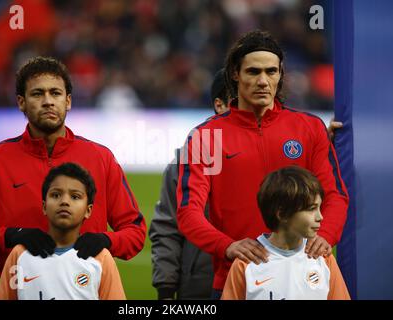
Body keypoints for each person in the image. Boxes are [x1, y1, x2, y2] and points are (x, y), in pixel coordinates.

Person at [176, 30, 349, 298]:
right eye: (253, 71)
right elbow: (189, 212)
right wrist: (227, 246)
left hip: (307, 277)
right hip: (237, 278)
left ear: (280, 74)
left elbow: (335, 195)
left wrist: (326, 235)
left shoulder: (310, 129)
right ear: (235, 74)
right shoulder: (206, 137)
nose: (263, 81)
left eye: (271, 71)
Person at [0, 56, 146, 277]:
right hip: (21, 290)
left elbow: (135, 232)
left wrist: (105, 241)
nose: (48, 101)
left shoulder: (101, 158)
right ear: (21, 102)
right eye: (37, 93)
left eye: (55, 93)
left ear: (68, 101)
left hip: (85, 291)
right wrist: (11, 236)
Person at [149, 69, 229, 300]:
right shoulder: (184, 162)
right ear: (219, 105)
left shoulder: (271, 154)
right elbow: (167, 227)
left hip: (261, 283)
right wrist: (165, 288)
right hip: (200, 287)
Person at [0, 162, 126, 300]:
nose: (64, 201)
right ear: (44, 206)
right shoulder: (20, 254)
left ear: (88, 210)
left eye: (75, 196)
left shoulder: (101, 258)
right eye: (56, 195)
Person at [222, 166, 350, 300]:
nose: (320, 217)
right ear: (282, 214)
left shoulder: (323, 258)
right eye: (311, 209)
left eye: (319, 207)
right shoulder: (246, 263)